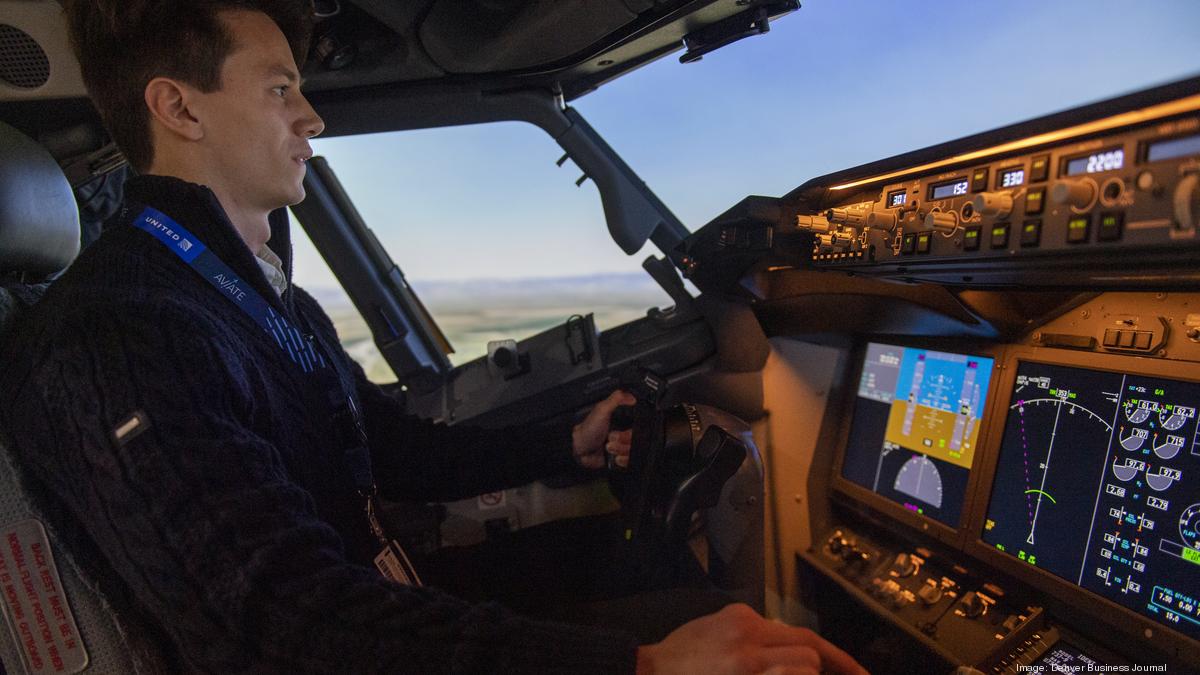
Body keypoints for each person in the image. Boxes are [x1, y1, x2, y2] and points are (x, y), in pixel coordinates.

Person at [0, 1, 867, 673]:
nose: (311, 117)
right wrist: (637, 664)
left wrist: (563, 440)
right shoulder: (115, 334)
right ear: (178, 107)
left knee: (670, 582)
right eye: (279, 88)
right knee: (696, 630)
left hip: (377, 599)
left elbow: (397, 455)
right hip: (332, 638)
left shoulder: (261, 303)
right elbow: (270, 623)